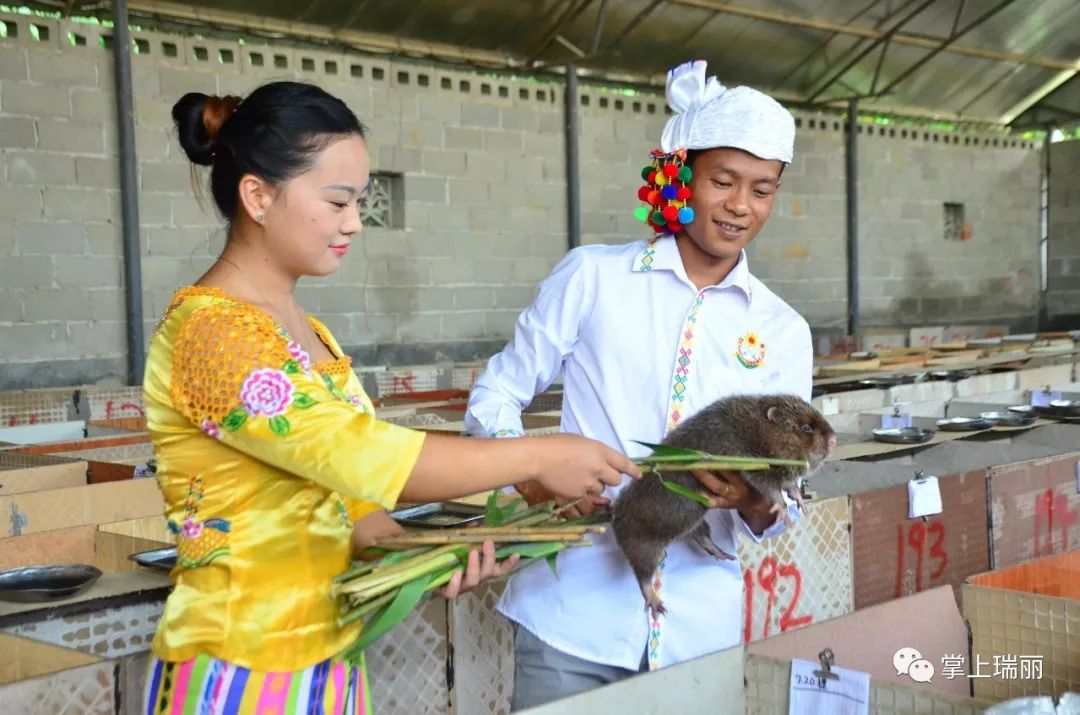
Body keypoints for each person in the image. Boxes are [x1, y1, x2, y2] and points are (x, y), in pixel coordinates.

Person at [140, 81, 641, 714]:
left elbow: (353, 508)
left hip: (331, 662)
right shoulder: (213, 332)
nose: (354, 222)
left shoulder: (304, 330)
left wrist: (436, 556)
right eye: (337, 201)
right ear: (258, 196)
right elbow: (364, 457)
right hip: (239, 670)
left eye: (360, 202)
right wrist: (537, 456)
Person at [464, 59, 815, 710]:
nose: (741, 205)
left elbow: (784, 492)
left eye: (762, 189)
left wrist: (754, 498)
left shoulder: (782, 330)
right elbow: (493, 397)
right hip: (573, 619)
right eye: (724, 181)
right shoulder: (593, 278)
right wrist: (530, 476)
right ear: (682, 175)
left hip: (698, 632)